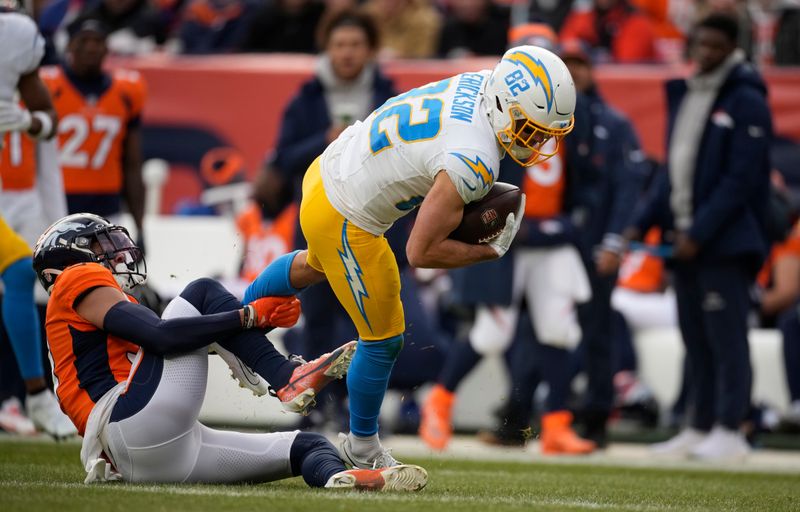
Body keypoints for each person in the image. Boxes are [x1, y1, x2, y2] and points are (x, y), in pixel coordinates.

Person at [245, 45, 576, 469]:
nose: (539, 142)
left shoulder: (477, 81)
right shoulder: (475, 160)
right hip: (348, 212)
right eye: (531, 129)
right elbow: (420, 250)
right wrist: (487, 251)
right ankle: (361, 446)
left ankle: (237, 318)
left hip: (330, 168)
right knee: (384, 339)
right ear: (503, 106)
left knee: (316, 264)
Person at [33, 212, 427, 490]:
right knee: (202, 291)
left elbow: (178, 344)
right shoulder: (76, 278)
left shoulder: (89, 314)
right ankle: (285, 377)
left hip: (143, 453)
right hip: (128, 419)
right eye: (99, 246)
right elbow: (164, 338)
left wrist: (253, 323)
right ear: (68, 261)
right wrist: (248, 317)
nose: (111, 255)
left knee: (310, 445)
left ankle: (341, 481)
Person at [630, 14, 772, 460]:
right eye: (699, 44)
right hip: (685, 239)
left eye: (714, 46)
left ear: (732, 47)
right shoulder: (688, 93)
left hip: (724, 243)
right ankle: (699, 424)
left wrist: (701, 230)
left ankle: (732, 428)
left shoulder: (747, 99)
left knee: (727, 339)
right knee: (695, 338)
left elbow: (741, 179)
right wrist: (643, 219)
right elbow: (675, 172)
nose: (704, 53)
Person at [561, 38, 648, 448]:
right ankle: (538, 411)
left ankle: (596, 415)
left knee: (596, 330)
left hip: (594, 242)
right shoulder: (539, 119)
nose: (574, 71)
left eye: (580, 63)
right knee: (539, 331)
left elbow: (629, 189)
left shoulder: (613, 123)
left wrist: (615, 241)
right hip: (551, 243)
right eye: (567, 63)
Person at [0, 4, 75, 438]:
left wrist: (28, 120)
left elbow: (48, 119)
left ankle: (35, 393)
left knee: (16, 270)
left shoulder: (16, 38)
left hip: (19, 197)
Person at [41, 17, 146, 246]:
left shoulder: (126, 91)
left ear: (107, 47)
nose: (91, 47)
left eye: (97, 41)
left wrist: (140, 226)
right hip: (56, 201)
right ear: (69, 45)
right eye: (84, 40)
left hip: (106, 204)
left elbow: (132, 162)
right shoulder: (46, 86)